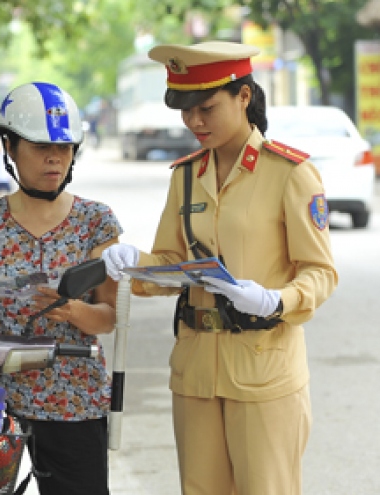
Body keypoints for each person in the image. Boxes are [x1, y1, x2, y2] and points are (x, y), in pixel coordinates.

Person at [100, 41, 338, 495]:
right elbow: (173, 264)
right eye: (185, 112)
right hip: (195, 367)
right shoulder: (186, 175)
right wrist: (135, 264)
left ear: (243, 96)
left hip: (263, 364)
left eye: (206, 108)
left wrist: (275, 299)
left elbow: (320, 271)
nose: (194, 122)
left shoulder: (290, 173)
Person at [0, 82, 121, 495]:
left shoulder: (96, 222)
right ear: (9, 147)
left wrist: (71, 310)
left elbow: (109, 317)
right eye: (41, 146)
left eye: (64, 148)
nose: (54, 158)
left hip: (74, 397)